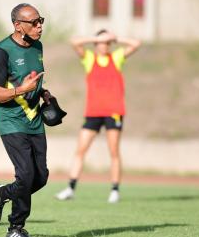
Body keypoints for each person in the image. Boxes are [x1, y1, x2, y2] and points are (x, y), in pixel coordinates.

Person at [0, 3, 53, 237]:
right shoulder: (2, 50)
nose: (39, 27)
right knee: (25, 175)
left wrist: (44, 93)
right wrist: (21, 89)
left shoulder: (37, 47)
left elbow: (34, 81)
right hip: (11, 121)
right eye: (33, 23)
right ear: (18, 25)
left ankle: (1, 193)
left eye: (40, 21)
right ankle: (15, 228)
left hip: (35, 119)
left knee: (41, 177)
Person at [55, 29, 141, 203]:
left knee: (114, 151)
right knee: (81, 150)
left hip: (113, 112)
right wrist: (96, 37)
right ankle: (70, 188)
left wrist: (115, 38)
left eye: (107, 42)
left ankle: (115, 190)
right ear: (96, 44)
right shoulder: (89, 59)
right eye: (102, 42)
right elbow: (74, 41)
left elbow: (136, 44)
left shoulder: (116, 58)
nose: (105, 45)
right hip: (93, 112)